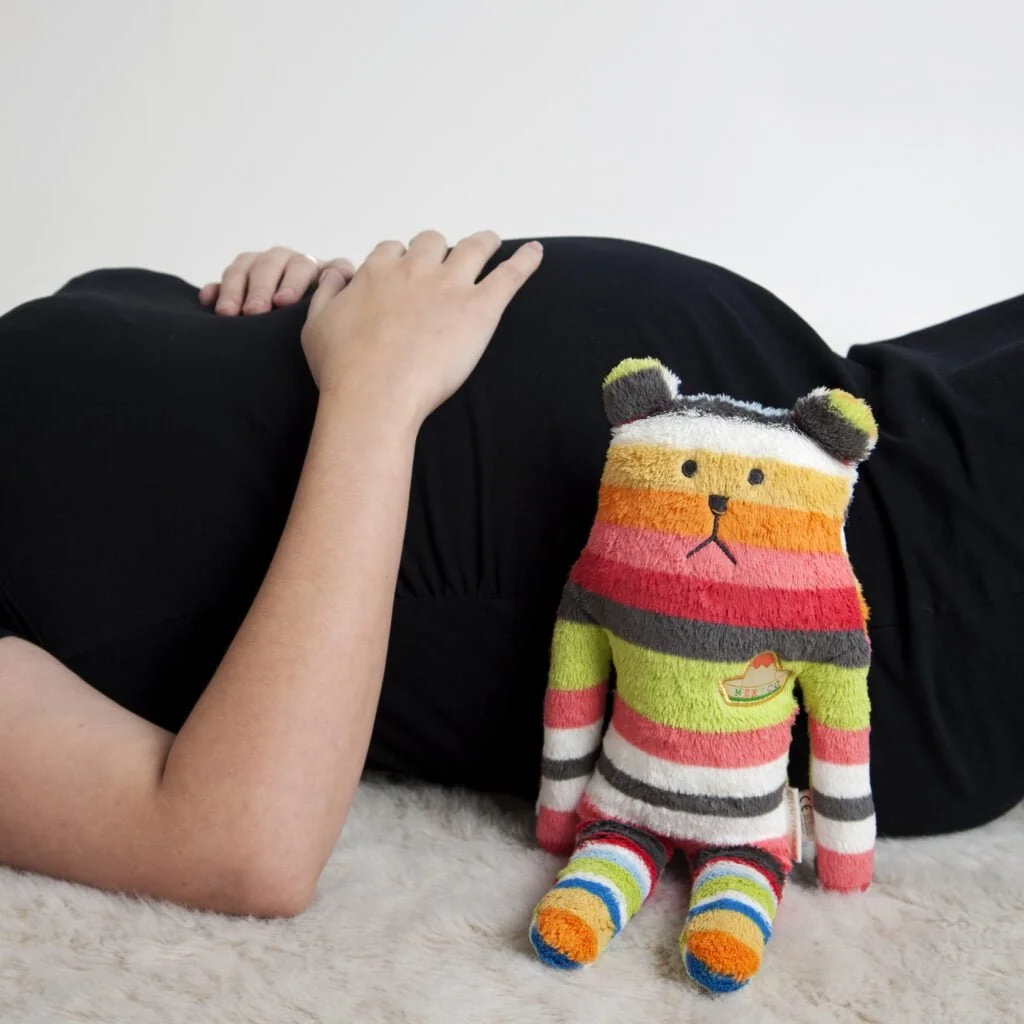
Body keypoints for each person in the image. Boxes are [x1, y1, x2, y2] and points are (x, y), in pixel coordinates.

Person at [0, 232, 1021, 919]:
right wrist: (374, 391)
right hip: (848, 590)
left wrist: (288, 290)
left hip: (845, 396)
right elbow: (233, 844)